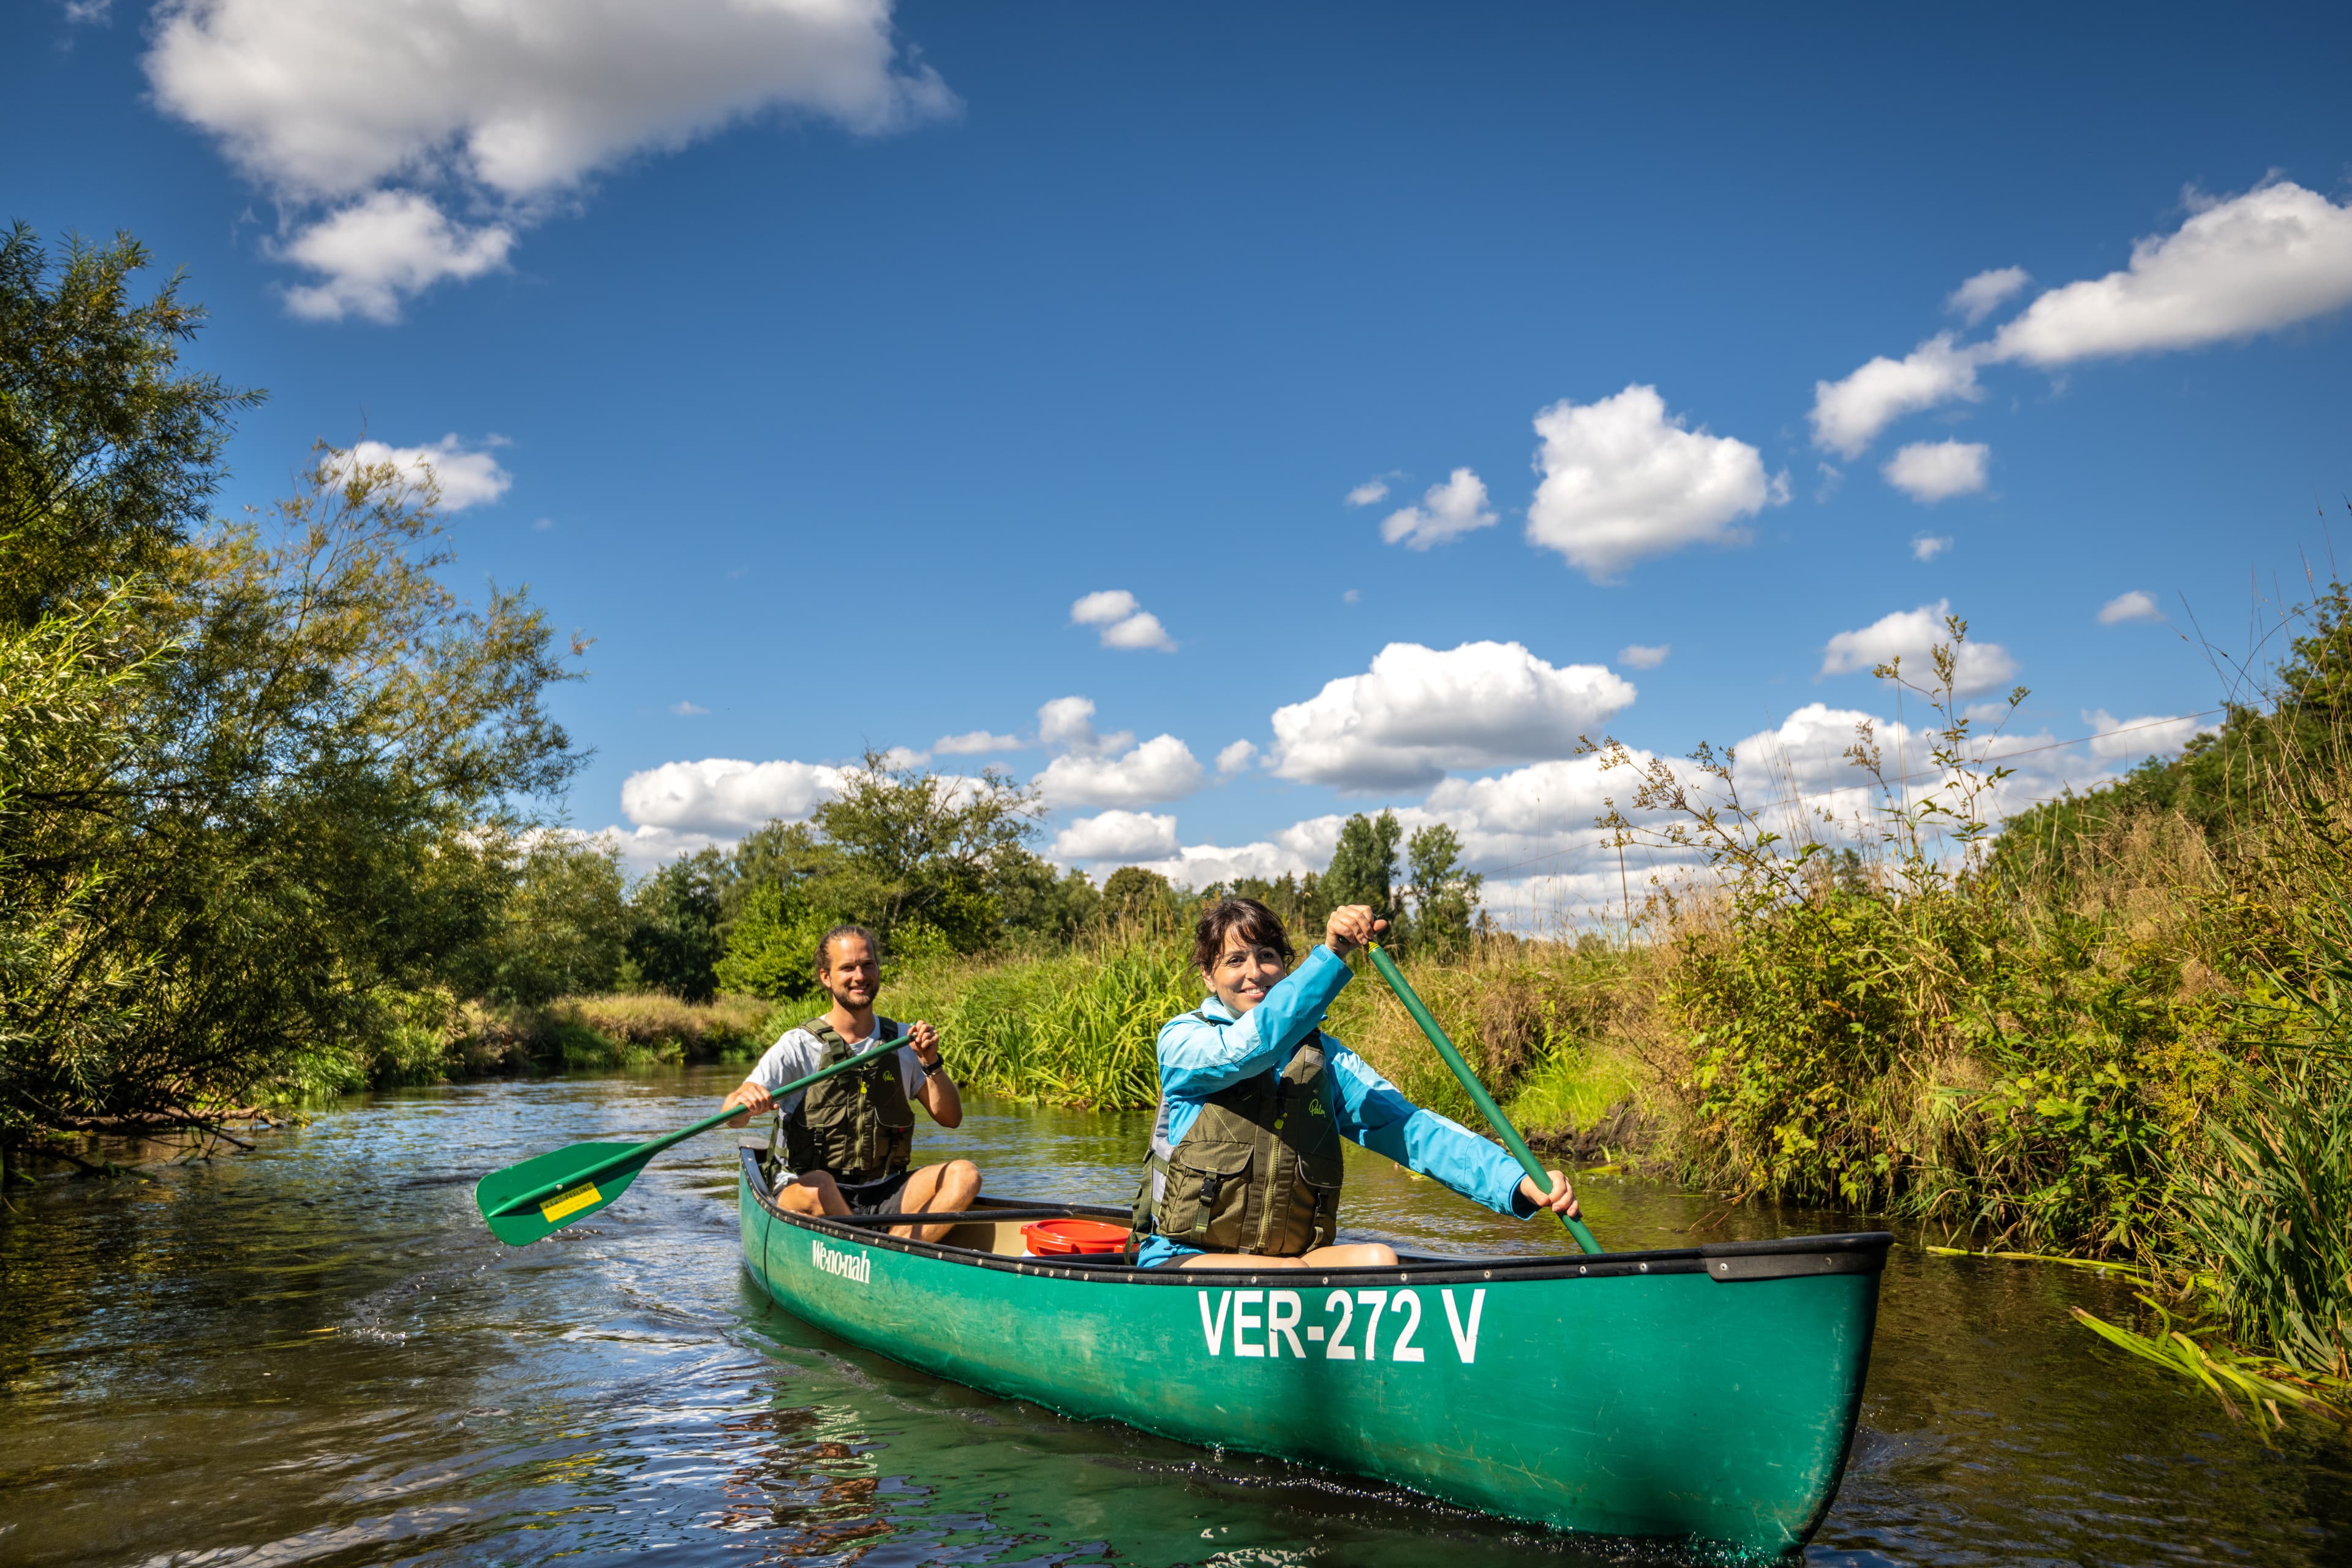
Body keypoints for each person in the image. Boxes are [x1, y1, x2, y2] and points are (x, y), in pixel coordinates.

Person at [1132, 899, 1579, 1269]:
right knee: (1288, 1274)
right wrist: (1331, 956)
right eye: (1235, 960)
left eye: (1267, 956)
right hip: (1184, 1256)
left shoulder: (1322, 1060)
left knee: (1380, 1259)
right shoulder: (1183, 1042)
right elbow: (1248, 1050)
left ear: (1284, 968)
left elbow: (1411, 1130)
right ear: (1208, 975)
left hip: (1288, 1260)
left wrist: (1517, 1181)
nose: (1255, 972)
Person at [722, 924, 980, 1243]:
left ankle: (890, 1251)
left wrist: (931, 1062)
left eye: (868, 964)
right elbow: (732, 1116)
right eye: (848, 968)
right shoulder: (798, 1045)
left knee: (965, 1175)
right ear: (826, 977)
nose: (860, 975)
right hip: (807, 1189)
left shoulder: (904, 1040)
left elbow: (951, 1119)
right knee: (821, 1187)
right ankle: (883, 1251)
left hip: (884, 1190)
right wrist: (745, 1102)